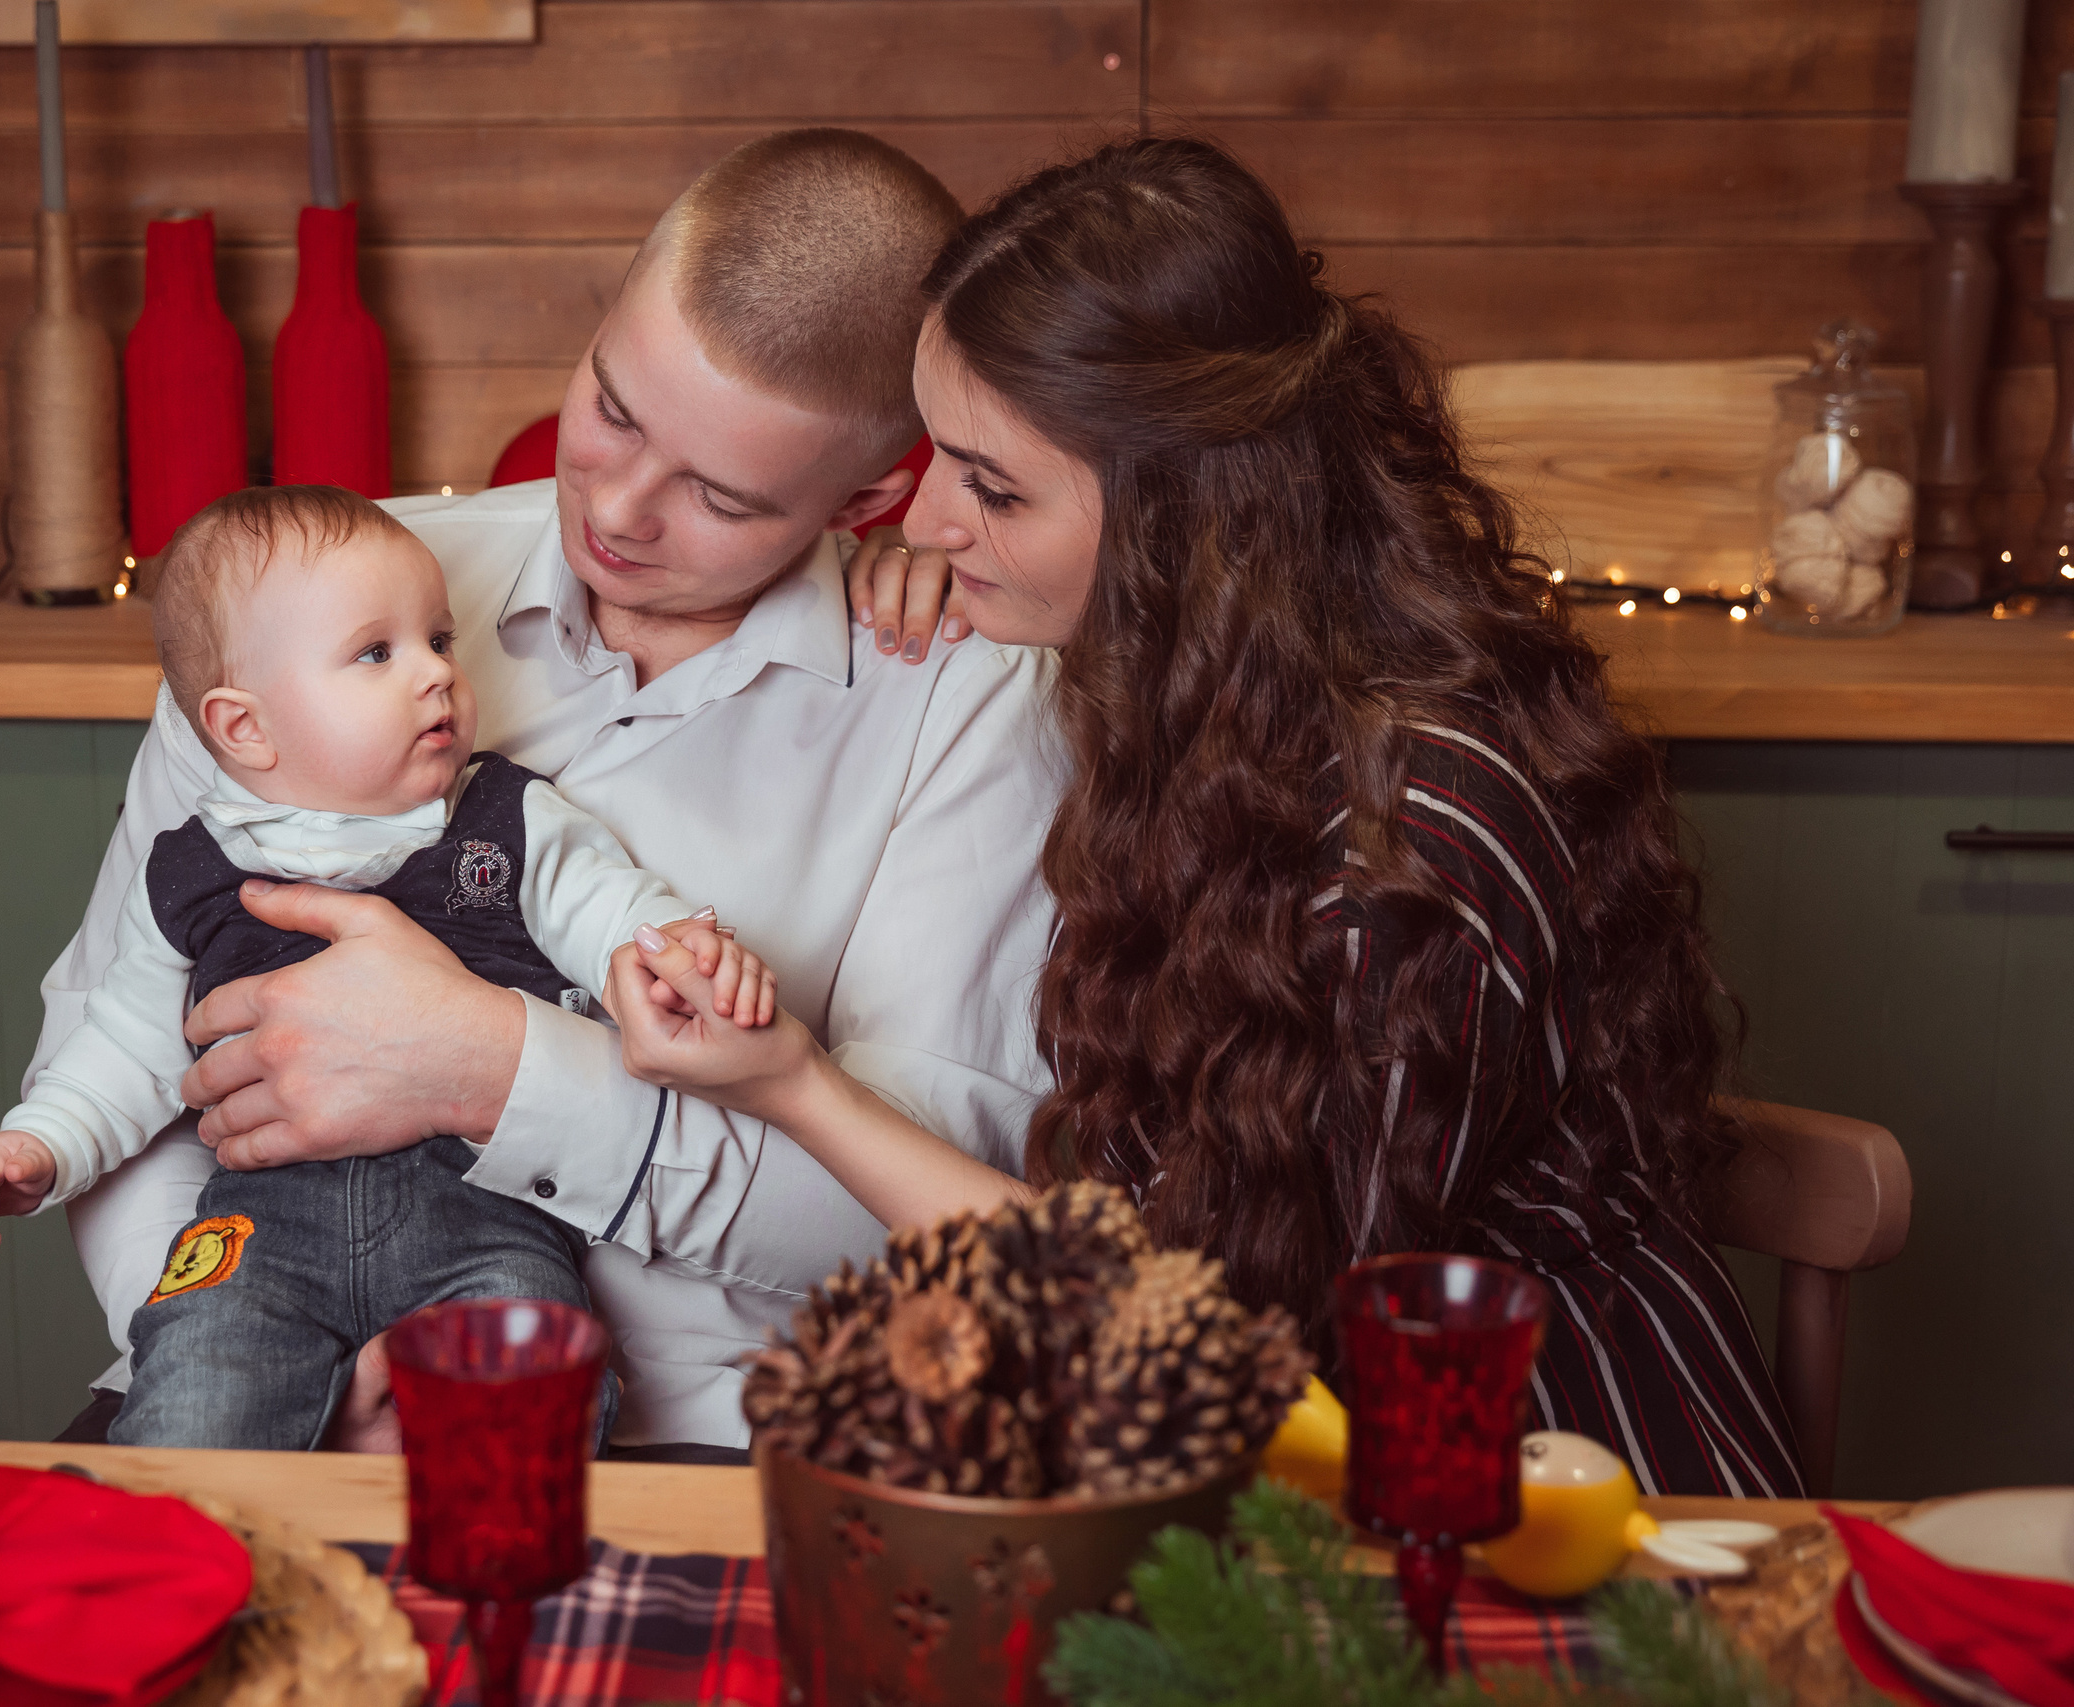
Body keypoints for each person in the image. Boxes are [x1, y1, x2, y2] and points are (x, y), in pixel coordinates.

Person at [609, 135, 1806, 1499]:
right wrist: (968, 548)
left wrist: (794, 1087)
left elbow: (1213, 1350)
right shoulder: (1213, 701)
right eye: (933, 458)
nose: (928, 516)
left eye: (990, 486)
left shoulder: (1409, 852)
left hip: (1524, 1480)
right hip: (1290, 1446)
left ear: (1190, 520)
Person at [28, 129, 1060, 1457]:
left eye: (721, 494)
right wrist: (265, 1365)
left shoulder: (963, 703)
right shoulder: (305, 600)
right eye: (614, 406)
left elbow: (914, 1222)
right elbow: (113, 1077)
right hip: (244, 1376)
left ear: (867, 496)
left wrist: (489, 1066)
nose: (620, 509)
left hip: (699, 1441)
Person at [0, 487, 773, 1450]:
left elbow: (609, 904)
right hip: (259, 1229)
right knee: (189, 1388)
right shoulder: (192, 869)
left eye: (439, 640)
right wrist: (38, 1143)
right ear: (244, 726)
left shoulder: (504, 820)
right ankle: (192, 1579)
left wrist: (678, 950)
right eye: (376, 653)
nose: (434, 676)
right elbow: (123, 1045)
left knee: (536, 1394)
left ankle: (495, 1589)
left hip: (485, 1216)